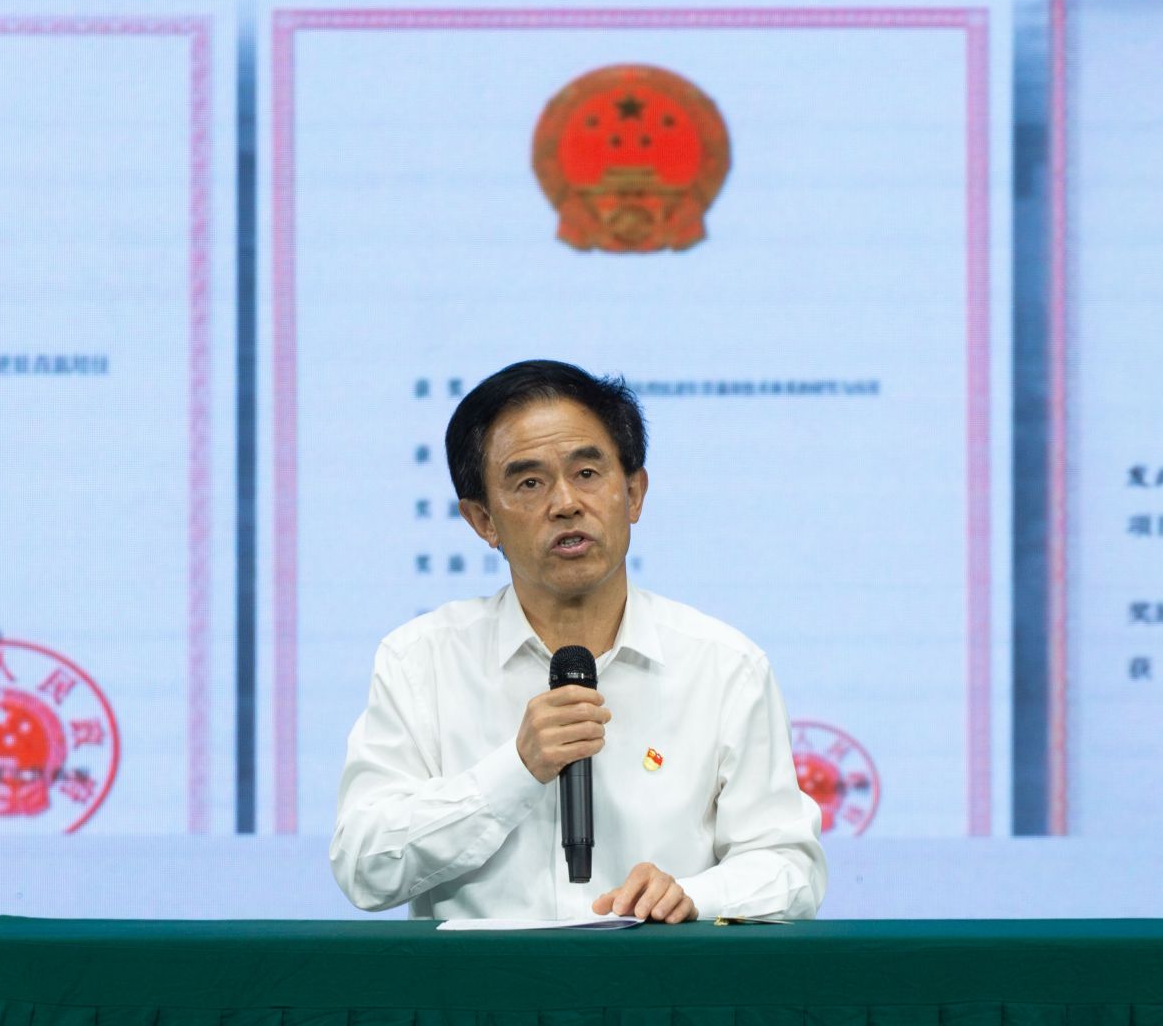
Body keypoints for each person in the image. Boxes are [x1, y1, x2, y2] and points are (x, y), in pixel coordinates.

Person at [331, 359, 826, 923]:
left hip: (652, 978)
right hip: (482, 981)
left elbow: (790, 867)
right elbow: (363, 865)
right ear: (482, 521)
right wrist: (514, 772)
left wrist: (693, 897)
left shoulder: (723, 666)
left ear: (634, 494)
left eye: (587, 473)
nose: (565, 503)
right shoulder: (422, 661)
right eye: (529, 483)